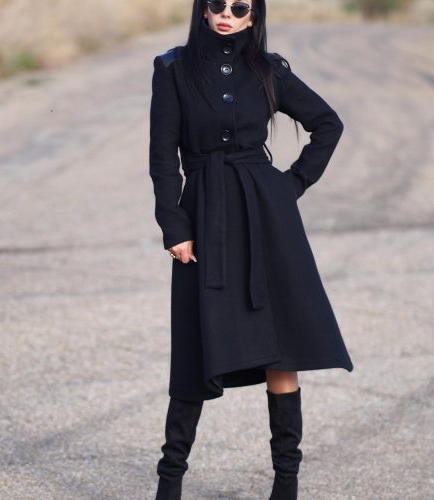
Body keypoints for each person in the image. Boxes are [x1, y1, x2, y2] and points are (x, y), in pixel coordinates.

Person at [148, 1, 354, 498]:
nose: (226, 13)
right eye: (217, 4)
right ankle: (169, 483)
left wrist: (291, 184)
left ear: (253, 16)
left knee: (282, 347)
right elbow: (162, 156)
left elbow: (328, 123)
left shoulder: (268, 70)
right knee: (195, 346)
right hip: (204, 214)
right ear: (202, 10)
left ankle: (286, 483)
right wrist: (173, 225)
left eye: (239, 7)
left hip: (267, 215)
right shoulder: (173, 68)